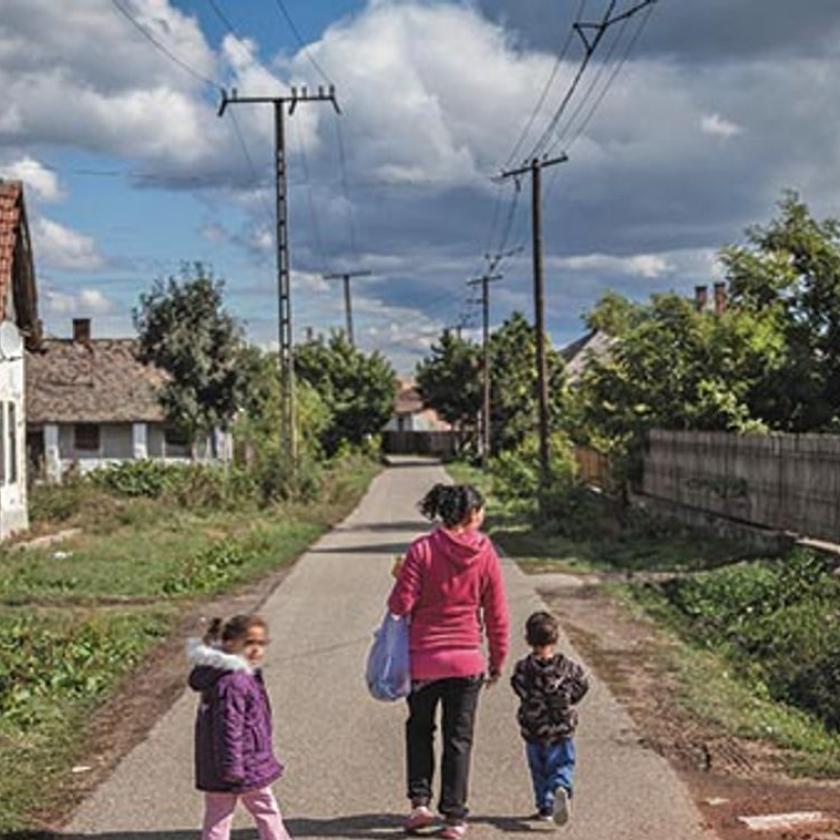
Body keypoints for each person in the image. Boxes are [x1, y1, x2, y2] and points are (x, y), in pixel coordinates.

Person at [388, 483, 510, 840]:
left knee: (420, 729)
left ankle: (420, 804)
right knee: (459, 739)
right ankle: (455, 818)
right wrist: (498, 660)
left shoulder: (421, 550)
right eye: (482, 510)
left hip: (423, 662)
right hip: (467, 662)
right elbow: (497, 614)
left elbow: (400, 606)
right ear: (471, 515)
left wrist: (399, 579)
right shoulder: (486, 553)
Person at [187, 614, 292, 840]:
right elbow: (229, 728)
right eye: (249, 643)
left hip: (222, 765)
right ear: (229, 643)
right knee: (265, 809)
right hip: (242, 764)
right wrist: (232, 768)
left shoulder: (227, 675)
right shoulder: (234, 681)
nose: (256, 650)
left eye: (261, 644)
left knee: (218, 815)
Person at [510, 611, 588, 826]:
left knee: (539, 769)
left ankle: (545, 806)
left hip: (534, 729)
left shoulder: (523, 669)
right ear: (555, 638)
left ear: (528, 639)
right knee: (562, 762)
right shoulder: (568, 668)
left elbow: (518, 688)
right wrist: (568, 700)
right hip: (562, 728)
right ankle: (560, 786)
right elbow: (582, 685)